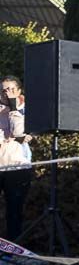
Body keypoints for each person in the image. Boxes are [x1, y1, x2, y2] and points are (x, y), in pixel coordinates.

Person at [1, 76, 33, 250]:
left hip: (17, 168)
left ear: (19, 91)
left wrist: (13, 107)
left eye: (11, 89)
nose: (7, 93)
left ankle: (13, 252)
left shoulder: (27, 109)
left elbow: (21, 134)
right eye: (4, 90)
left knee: (14, 212)